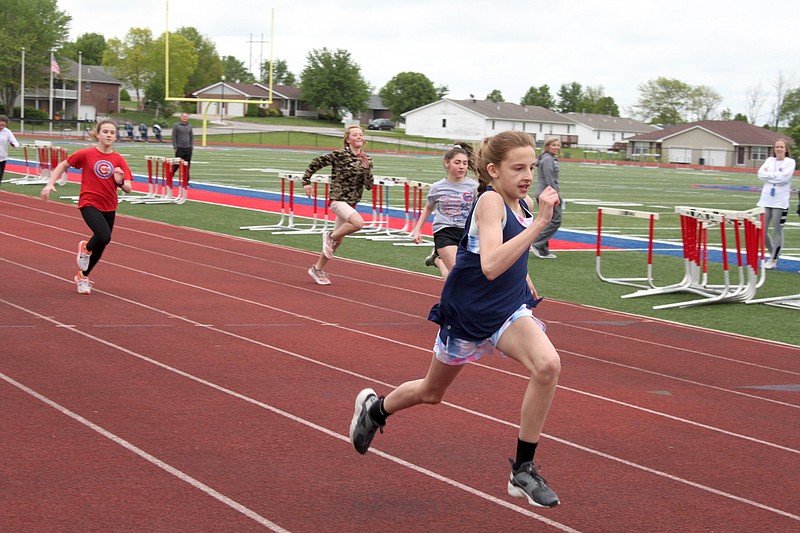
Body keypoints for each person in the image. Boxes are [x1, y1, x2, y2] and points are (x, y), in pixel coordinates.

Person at [349, 131, 562, 508]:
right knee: (432, 393)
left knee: (547, 365)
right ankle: (376, 409)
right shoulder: (491, 202)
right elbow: (492, 264)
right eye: (518, 167)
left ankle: (523, 470)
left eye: (531, 166)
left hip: (507, 309)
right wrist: (539, 224)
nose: (528, 174)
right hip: (469, 311)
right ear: (493, 170)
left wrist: (527, 280)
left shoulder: (522, 202)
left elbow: (512, 260)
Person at [40, 119, 133, 295]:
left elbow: (128, 188)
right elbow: (63, 164)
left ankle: (83, 276)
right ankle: (86, 248)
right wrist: (49, 184)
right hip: (89, 202)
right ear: (98, 134)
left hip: (109, 204)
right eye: (105, 131)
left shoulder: (118, 159)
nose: (109, 135)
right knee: (103, 235)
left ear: (116, 137)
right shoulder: (86, 154)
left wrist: (119, 182)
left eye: (112, 133)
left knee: (103, 242)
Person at [303, 125, 373, 285]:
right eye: (355, 135)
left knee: (339, 240)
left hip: (352, 202)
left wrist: (367, 168)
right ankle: (329, 236)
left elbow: (369, 185)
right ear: (348, 139)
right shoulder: (339, 155)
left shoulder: (367, 159)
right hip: (337, 199)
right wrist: (306, 181)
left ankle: (317, 268)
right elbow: (316, 163)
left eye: (361, 135)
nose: (359, 137)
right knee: (358, 223)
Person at [410, 142, 478, 280]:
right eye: (457, 162)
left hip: (466, 232)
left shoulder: (474, 186)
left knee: (456, 276)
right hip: (444, 231)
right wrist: (417, 230)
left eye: (465, 163)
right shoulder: (437, 187)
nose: (462, 167)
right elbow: (428, 208)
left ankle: (438, 261)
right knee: (457, 271)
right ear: (447, 163)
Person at [756, 138, 796, 270]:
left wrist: (770, 176)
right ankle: (773, 251)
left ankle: (773, 258)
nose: (779, 149)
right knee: (761, 229)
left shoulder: (790, 162)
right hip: (766, 199)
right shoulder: (769, 160)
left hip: (780, 201)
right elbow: (760, 174)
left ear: (785, 149)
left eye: (781, 147)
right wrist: (775, 175)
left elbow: (784, 178)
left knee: (777, 229)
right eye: (777, 147)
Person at [531, 137, 563, 259]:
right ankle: (537, 243)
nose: (556, 147)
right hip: (547, 193)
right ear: (548, 146)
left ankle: (543, 250)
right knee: (556, 220)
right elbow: (550, 179)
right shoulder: (548, 159)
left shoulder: (547, 158)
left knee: (548, 220)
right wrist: (556, 195)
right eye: (554, 145)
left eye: (558, 145)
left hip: (544, 192)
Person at [172, 112, 194, 179]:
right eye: (183, 116)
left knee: (187, 165)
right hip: (179, 148)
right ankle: (170, 176)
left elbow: (191, 137)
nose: (185, 118)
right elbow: (174, 136)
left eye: (186, 116)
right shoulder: (176, 126)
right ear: (181, 117)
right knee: (176, 164)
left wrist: (191, 146)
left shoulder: (189, 126)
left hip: (188, 148)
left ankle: (186, 181)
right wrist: (175, 147)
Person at [0, 114, 21, 186]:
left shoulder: (7, 132)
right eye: (0, 125)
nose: (1, 127)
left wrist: (14, 144)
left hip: (2, 157)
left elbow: (15, 142)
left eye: (3, 125)